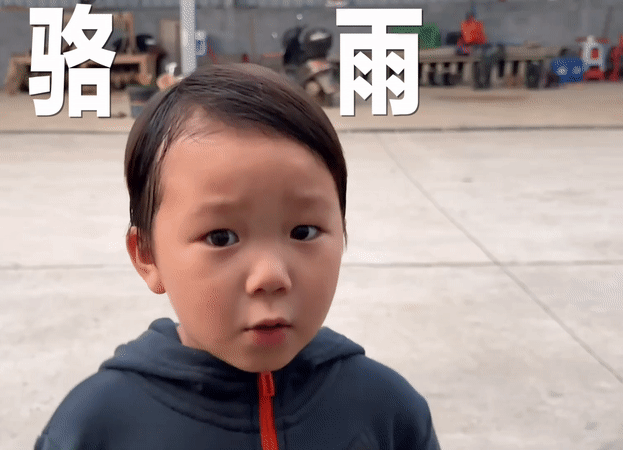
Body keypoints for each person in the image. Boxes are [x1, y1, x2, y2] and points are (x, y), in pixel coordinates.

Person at [33, 63, 440, 450]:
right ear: (147, 256)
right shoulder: (95, 428)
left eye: (303, 232)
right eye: (221, 237)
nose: (271, 275)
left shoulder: (387, 411)